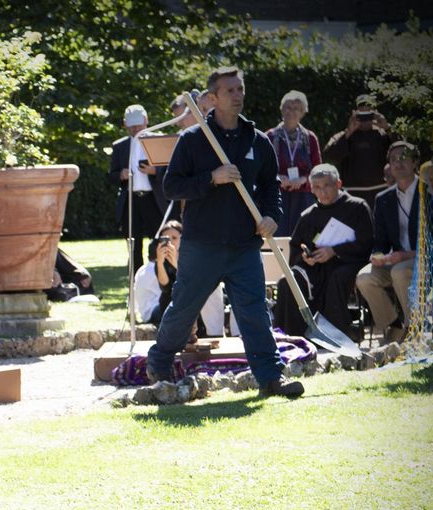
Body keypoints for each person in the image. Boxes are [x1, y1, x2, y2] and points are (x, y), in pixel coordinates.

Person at [146, 66, 303, 398]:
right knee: (184, 308)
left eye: (240, 89)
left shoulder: (257, 141)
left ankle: (270, 378)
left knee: (255, 312)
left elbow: (271, 188)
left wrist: (272, 216)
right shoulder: (193, 140)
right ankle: (159, 362)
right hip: (202, 244)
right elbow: (172, 186)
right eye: (230, 90)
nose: (237, 95)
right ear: (212, 98)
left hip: (244, 245)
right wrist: (211, 178)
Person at [275, 164, 373, 339]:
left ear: (338, 184)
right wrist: (305, 257)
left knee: (338, 276)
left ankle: (335, 335)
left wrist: (335, 251)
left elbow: (367, 242)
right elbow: (297, 248)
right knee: (288, 281)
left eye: (327, 185)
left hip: (348, 263)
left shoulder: (357, 207)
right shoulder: (308, 215)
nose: (323, 192)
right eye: (317, 187)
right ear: (311, 189)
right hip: (316, 268)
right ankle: (294, 337)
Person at [357, 142, 421, 343]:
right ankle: (394, 329)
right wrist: (376, 256)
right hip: (397, 260)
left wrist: (407, 255)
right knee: (364, 278)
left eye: (403, 158)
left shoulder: (429, 191)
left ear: (415, 162)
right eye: (392, 160)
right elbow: (381, 242)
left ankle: (414, 329)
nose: (397, 163)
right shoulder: (384, 198)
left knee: (399, 271)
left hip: (425, 258)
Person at [133, 221, 225, 335]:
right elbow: (165, 286)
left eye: (174, 238)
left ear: (183, 239)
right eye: (166, 238)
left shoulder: (192, 258)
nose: (170, 242)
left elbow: (193, 281)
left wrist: (176, 263)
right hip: (168, 305)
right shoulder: (160, 262)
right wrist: (161, 262)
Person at [107, 104, 167, 271]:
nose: (135, 129)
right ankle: (135, 283)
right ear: (125, 124)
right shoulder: (120, 146)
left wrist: (155, 171)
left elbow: (171, 170)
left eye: (138, 125)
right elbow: (111, 175)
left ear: (146, 121)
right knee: (133, 245)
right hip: (131, 201)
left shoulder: (158, 141)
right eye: (132, 126)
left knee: (158, 241)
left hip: (154, 200)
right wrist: (121, 174)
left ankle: (160, 279)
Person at [266, 90, 322, 237]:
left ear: (303, 112)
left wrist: (303, 179)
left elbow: (318, 170)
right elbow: (262, 169)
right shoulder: (269, 137)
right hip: (277, 196)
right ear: (281, 109)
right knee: (278, 237)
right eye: (288, 107)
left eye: (296, 108)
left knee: (304, 236)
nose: (291, 111)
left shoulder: (310, 138)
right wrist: (278, 178)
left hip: (304, 197)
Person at [324, 94, 397, 206]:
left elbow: (403, 152)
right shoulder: (344, 135)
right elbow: (328, 158)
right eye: (362, 115)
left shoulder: (384, 134)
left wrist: (387, 128)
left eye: (369, 114)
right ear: (355, 113)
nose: (365, 120)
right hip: (353, 195)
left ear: (375, 113)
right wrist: (348, 132)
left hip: (381, 193)